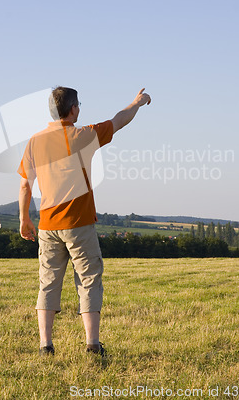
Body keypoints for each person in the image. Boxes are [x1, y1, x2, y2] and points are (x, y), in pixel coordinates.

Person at [18, 86, 151, 356]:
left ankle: (46, 346)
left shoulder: (34, 141)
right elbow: (120, 119)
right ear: (73, 109)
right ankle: (92, 345)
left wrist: (24, 219)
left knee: (48, 283)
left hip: (48, 225)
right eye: (79, 105)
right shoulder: (85, 135)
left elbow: (24, 185)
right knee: (89, 280)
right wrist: (138, 102)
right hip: (79, 224)